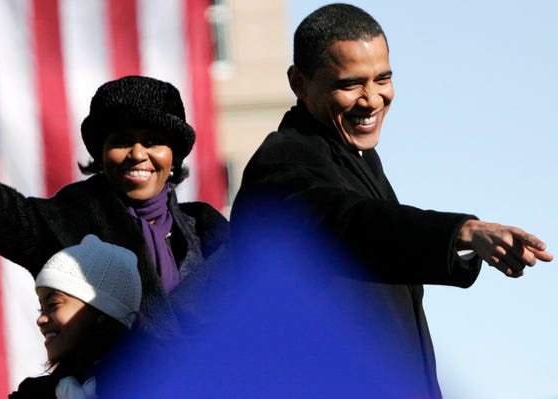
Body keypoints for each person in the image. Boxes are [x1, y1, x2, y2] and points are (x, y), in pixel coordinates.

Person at [229, 3, 553, 398]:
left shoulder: (357, 159)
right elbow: (354, 224)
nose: (372, 99)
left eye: (383, 78)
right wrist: (463, 231)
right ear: (299, 82)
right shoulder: (282, 162)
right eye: (350, 84)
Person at [0, 12, 229, 348]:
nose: (138, 154)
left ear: (175, 155)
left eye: (153, 142)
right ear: (100, 153)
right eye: (122, 141)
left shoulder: (210, 232)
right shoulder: (66, 224)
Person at [9, 234, 143, 399]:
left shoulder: (158, 383)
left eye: (53, 304)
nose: (40, 319)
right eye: (41, 308)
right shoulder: (34, 394)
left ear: (101, 312)